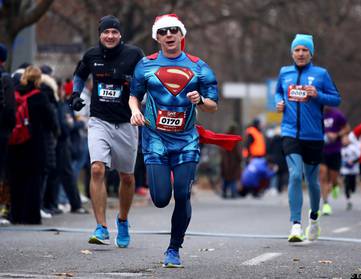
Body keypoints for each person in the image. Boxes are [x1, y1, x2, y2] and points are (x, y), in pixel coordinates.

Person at [129, 14, 219, 267]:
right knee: (159, 199)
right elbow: (133, 96)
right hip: (155, 137)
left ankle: (173, 248)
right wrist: (135, 111)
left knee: (182, 193)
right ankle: (171, 241)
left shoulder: (199, 66)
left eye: (173, 31)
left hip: (186, 139)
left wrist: (200, 101)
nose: (169, 35)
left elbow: (213, 105)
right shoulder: (145, 65)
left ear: (181, 35)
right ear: (157, 37)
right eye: (163, 32)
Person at [70, 15, 144, 247]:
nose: (110, 36)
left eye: (114, 32)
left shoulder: (134, 55)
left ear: (120, 35)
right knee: (97, 170)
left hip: (126, 123)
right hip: (99, 121)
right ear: (100, 34)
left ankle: (122, 220)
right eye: (106, 32)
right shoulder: (91, 55)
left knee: (127, 177)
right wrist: (74, 95)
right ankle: (101, 227)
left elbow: (146, 79)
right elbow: (79, 75)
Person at [275, 34, 341, 242]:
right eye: (297, 50)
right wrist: (279, 102)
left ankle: (313, 219)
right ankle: (295, 225)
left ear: (311, 54)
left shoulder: (321, 74)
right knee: (295, 175)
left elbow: (336, 99)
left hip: (313, 135)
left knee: (312, 181)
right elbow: (278, 93)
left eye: (305, 50)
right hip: (289, 132)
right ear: (292, 53)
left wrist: (318, 95)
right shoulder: (284, 73)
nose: (301, 54)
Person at [7, 66, 59, 224]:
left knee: (16, 180)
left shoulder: (13, 94)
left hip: (14, 143)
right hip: (35, 144)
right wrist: (56, 132)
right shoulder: (40, 96)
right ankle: (30, 216)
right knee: (33, 181)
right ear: (38, 79)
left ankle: (15, 215)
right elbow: (51, 122)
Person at [320, 107, 350, 215]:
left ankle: (335, 185)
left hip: (334, 150)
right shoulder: (315, 114)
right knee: (323, 176)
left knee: (333, 178)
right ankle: (326, 204)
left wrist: (336, 134)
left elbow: (347, 128)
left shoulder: (337, 115)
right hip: (320, 150)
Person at [0, 43, 15, 225]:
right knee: (3, 171)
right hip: (3, 132)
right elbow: (10, 108)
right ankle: (4, 208)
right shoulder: (6, 78)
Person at [220, 124, 242, 199]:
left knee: (226, 177)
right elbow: (237, 151)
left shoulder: (225, 136)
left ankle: (224, 192)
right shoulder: (234, 138)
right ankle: (233, 192)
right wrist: (240, 159)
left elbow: (221, 149)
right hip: (233, 162)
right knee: (233, 178)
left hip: (225, 161)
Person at [340, 133, 360, 210]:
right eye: (343, 140)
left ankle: (352, 191)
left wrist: (353, 162)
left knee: (353, 188)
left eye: (346, 139)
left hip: (354, 170)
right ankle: (348, 201)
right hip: (345, 170)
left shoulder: (353, 148)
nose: (345, 141)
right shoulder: (340, 149)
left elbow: (360, 157)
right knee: (346, 185)